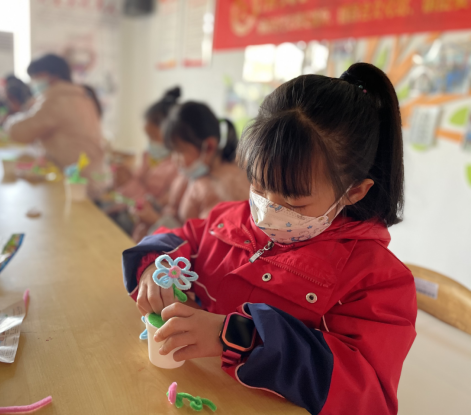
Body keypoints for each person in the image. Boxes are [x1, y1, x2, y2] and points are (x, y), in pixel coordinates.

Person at [122, 63, 417, 414]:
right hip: (197, 394)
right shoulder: (231, 219)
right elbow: (177, 238)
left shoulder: (376, 281)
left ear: (354, 191)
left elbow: (368, 396)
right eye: (259, 186)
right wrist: (151, 267)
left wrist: (237, 335)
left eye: (294, 200)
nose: (267, 210)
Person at [133, 101, 249, 237]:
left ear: (209, 146)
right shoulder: (194, 175)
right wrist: (156, 208)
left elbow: (205, 243)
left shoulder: (222, 192)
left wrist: (157, 221)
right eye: (173, 151)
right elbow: (177, 213)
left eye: (180, 151)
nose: (175, 159)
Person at [5, 54, 106, 197]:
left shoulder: (56, 100)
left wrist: (13, 117)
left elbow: (19, 133)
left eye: (36, 76)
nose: (33, 82)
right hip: (93, 177)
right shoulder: (81, 95)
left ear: (52, 76)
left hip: (79, 185)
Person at [101, 87, 182, 237]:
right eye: (148, 137)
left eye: (153, 137)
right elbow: (137, 184)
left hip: (148, 230)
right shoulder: (148, 156)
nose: (150, 143)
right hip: (131, 218)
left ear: (172, 135)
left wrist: (128, 184)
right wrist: (123, 178)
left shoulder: (178, 169)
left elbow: (154, 208)